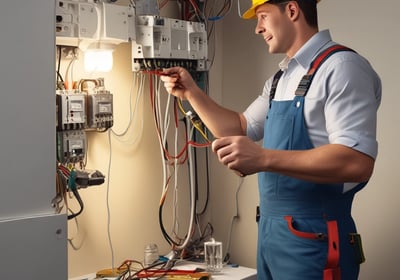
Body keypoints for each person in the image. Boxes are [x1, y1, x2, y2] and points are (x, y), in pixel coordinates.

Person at [160, 0, 381, 279]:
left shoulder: (343, 68)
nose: (257, 28)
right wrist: (191, 92)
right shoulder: (281, 78)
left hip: (318, 238)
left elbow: (357, 162)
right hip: (271, 236)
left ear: (291, 10)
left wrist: (262, 157)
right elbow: (239, 127)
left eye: (263, 16)